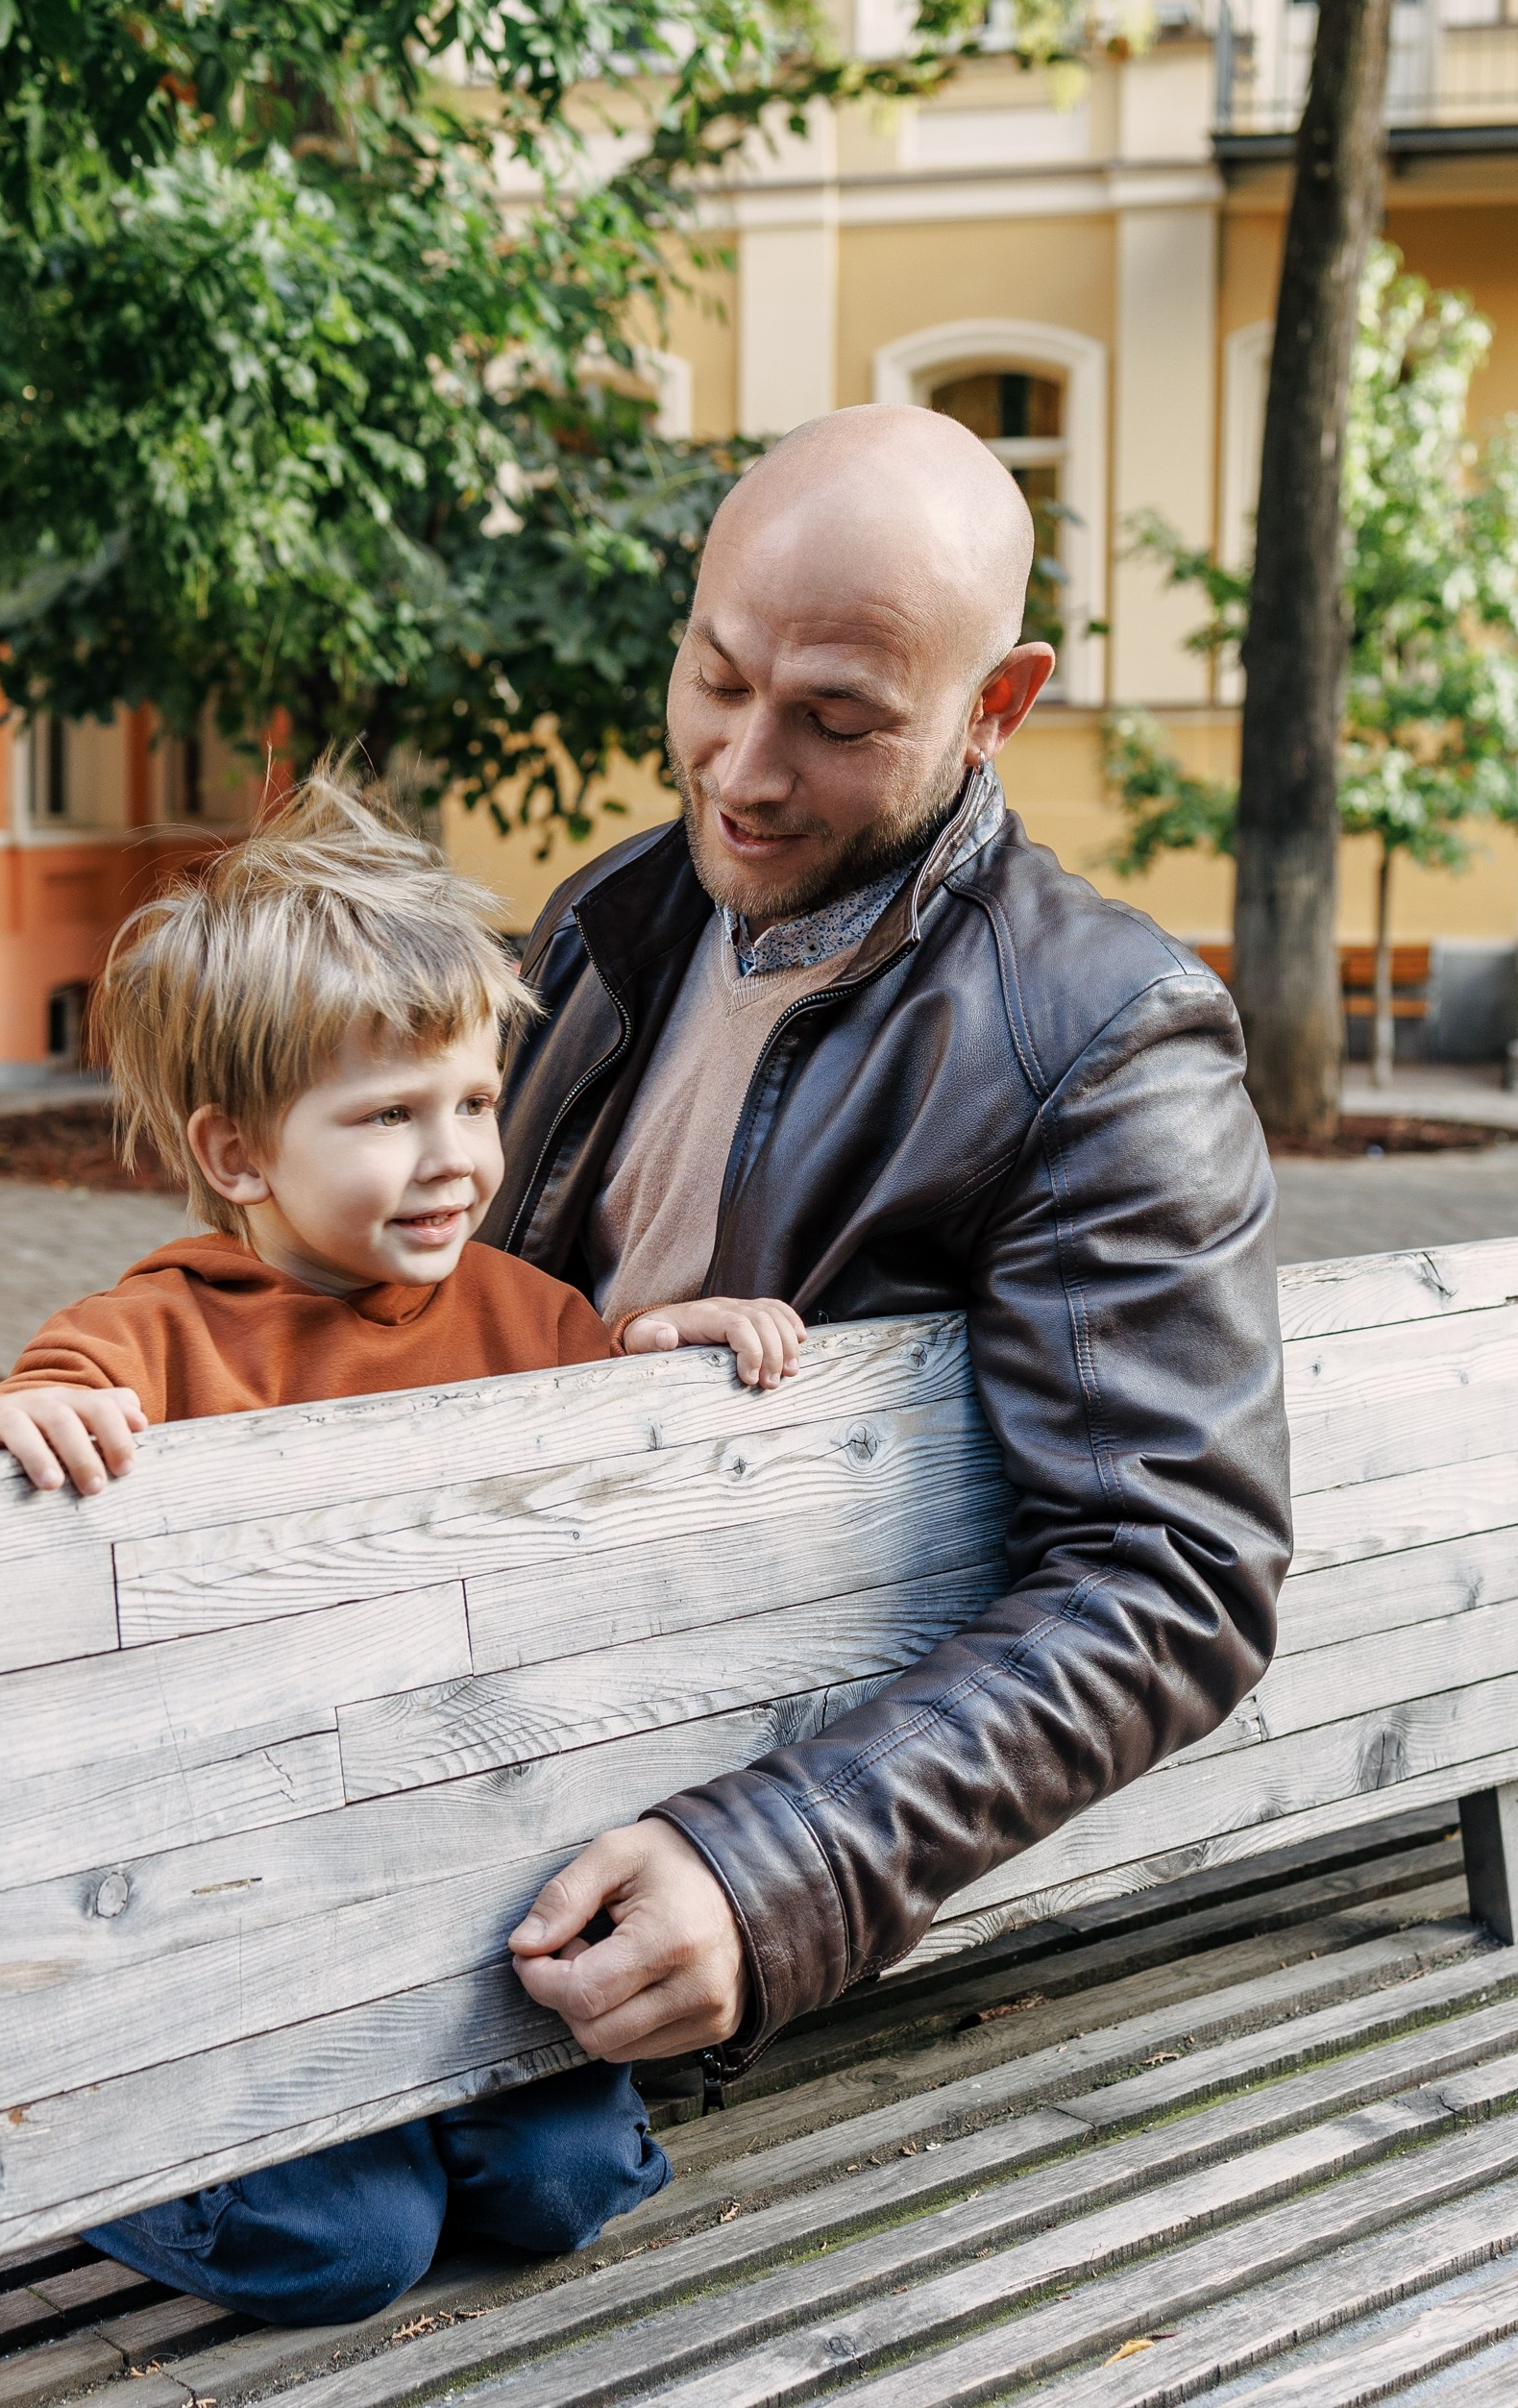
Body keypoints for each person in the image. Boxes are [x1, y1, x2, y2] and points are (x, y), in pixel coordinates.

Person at [0, 774, 803, 2324]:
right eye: (388, 1116)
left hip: (469, 1906)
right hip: (250, 1920)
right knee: (347, 2247)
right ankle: (107, 2164)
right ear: (238, 1154)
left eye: (474, 1102)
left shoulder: (525, 1316)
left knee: (568, 2186)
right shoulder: (154, 1337)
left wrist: (660, 1360)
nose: (454, 1158)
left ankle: (433, 2126)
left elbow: (603, 1439)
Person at [499, 401, 1293, 2078]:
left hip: (712, 1907)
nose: (743, 770)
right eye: (716, 677)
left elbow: (1174, 1576)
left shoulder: (1103, 1037)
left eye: (838, 719)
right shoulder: (603, 920)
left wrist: (770, 1875)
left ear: (998, 706)